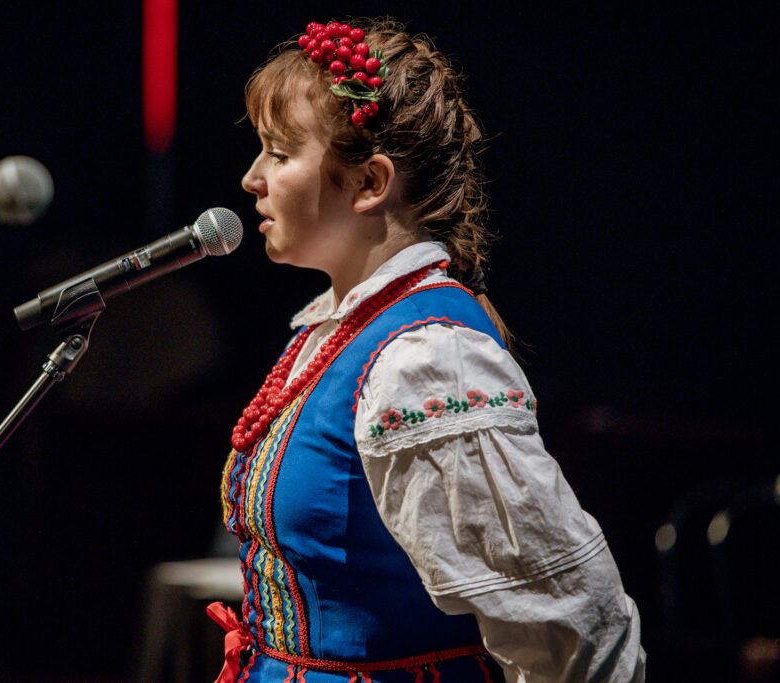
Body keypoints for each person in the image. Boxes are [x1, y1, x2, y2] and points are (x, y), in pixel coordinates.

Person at [209, 18, 645, 682]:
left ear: (369, 182)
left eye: (279, 151)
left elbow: (578, 619)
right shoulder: (334, 333)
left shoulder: (424, 361)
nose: (251, 178)